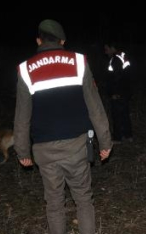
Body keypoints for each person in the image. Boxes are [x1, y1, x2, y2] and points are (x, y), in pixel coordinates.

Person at [13, 19, 112, 234]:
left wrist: (22, 150)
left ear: (38, 40)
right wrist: (105, 141)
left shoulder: (25, 69)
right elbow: (95, 106)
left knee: (55, 204)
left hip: (44, 150)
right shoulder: (79, 62)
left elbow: (22, 117)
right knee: (84, 200)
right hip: (76, 146)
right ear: (63, 41)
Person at [103, 41, 133, 145]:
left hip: (119, 93)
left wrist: (114, 93)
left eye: (106, 49)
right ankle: (128, 136)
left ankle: (118, 138)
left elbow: (116, 77)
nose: (105, 52)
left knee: (117, 115)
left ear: (112, 48)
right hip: (126, 92)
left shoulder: (115, 59)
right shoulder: (124, 56)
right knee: (124, 114)